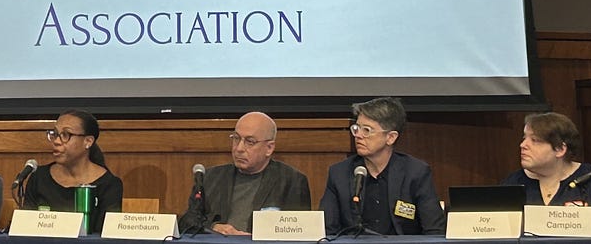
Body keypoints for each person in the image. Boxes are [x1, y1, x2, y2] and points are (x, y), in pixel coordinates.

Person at [500, 112, 591, 244]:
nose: (523, 145)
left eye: (534, 140)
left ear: (560, 149)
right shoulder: (513, 183)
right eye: (524, 138)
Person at [321, 97, 445, 235]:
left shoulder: (416, 173)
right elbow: (327, 231)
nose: (358, 135)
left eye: (367, 130)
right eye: (356, 128)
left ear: (391, 137)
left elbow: (434, 231)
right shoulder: (339, 173)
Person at [180, 111, 311, 235]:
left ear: (269, 148)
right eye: (236, 138)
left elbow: (298, 231)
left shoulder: (292, 181)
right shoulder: (210, 177)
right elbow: (186, 222)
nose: (239, 148)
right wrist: (213, 227)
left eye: (250, 142)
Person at [20, 109, 123, 234]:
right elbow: (26, 230)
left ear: (88, 141)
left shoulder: (109, 185)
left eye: (66, 135)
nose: (56, 141)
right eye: (55, 134)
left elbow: (107, 235)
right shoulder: (39, 178)